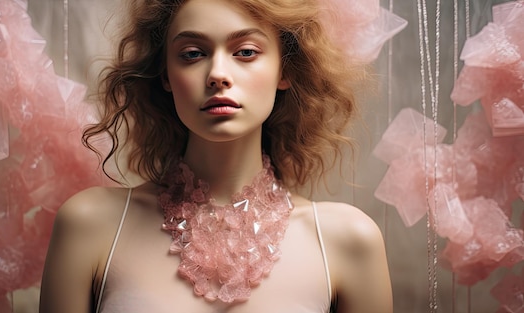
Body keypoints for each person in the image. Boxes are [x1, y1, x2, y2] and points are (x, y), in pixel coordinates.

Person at [39, 0, 393, 312]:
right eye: (193, 54)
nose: (218, 75)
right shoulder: (89, 225)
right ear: (166, 75)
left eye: (246, 52)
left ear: (284, 70)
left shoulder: (349, 242)